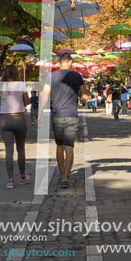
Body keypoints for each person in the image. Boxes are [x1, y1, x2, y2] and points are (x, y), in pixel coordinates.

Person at [43, 53, 89, 189]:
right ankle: (66, 177)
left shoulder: (51, 76)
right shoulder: (77, 76)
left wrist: (40, 115)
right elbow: (86, 96)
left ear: (59, 63)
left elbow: (44, 95)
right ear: (70, 62)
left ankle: (61, 173)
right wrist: (81, 96)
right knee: (69, 147)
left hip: (57, 115)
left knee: (59, 146)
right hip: (71, 115)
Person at [0, 64, 30, 189]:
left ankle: (10, 181)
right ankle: (22, 177)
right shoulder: (21, 84)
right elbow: (27, 101)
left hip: (5, 119)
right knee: (21, 149)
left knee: (8, 151)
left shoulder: (0, 86)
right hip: (19, 118)